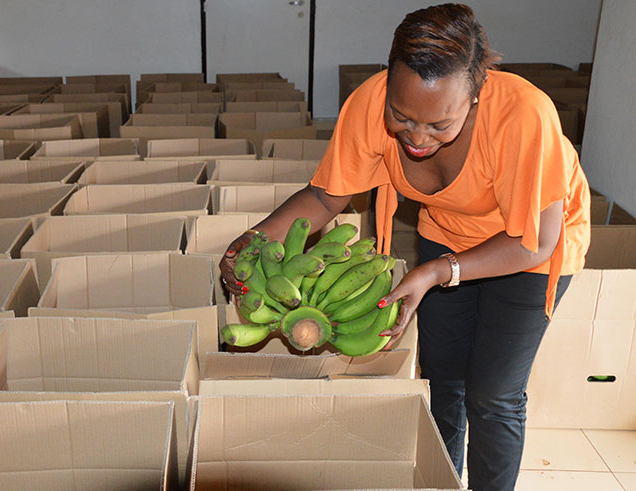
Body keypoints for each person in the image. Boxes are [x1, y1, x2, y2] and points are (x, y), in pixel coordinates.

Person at [218, 3, 591, 491]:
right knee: (443, 374)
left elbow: (534, 242)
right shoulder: (369, 106)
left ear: (477, 93)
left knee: (493, 392)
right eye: (402, 115)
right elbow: (325, 197)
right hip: (449, 230)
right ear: (387, 80)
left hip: (530, 250)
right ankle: (442, 477)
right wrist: (251, 239)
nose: (416, 137)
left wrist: (437, 272)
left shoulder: (524, 115)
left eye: (439, 125)